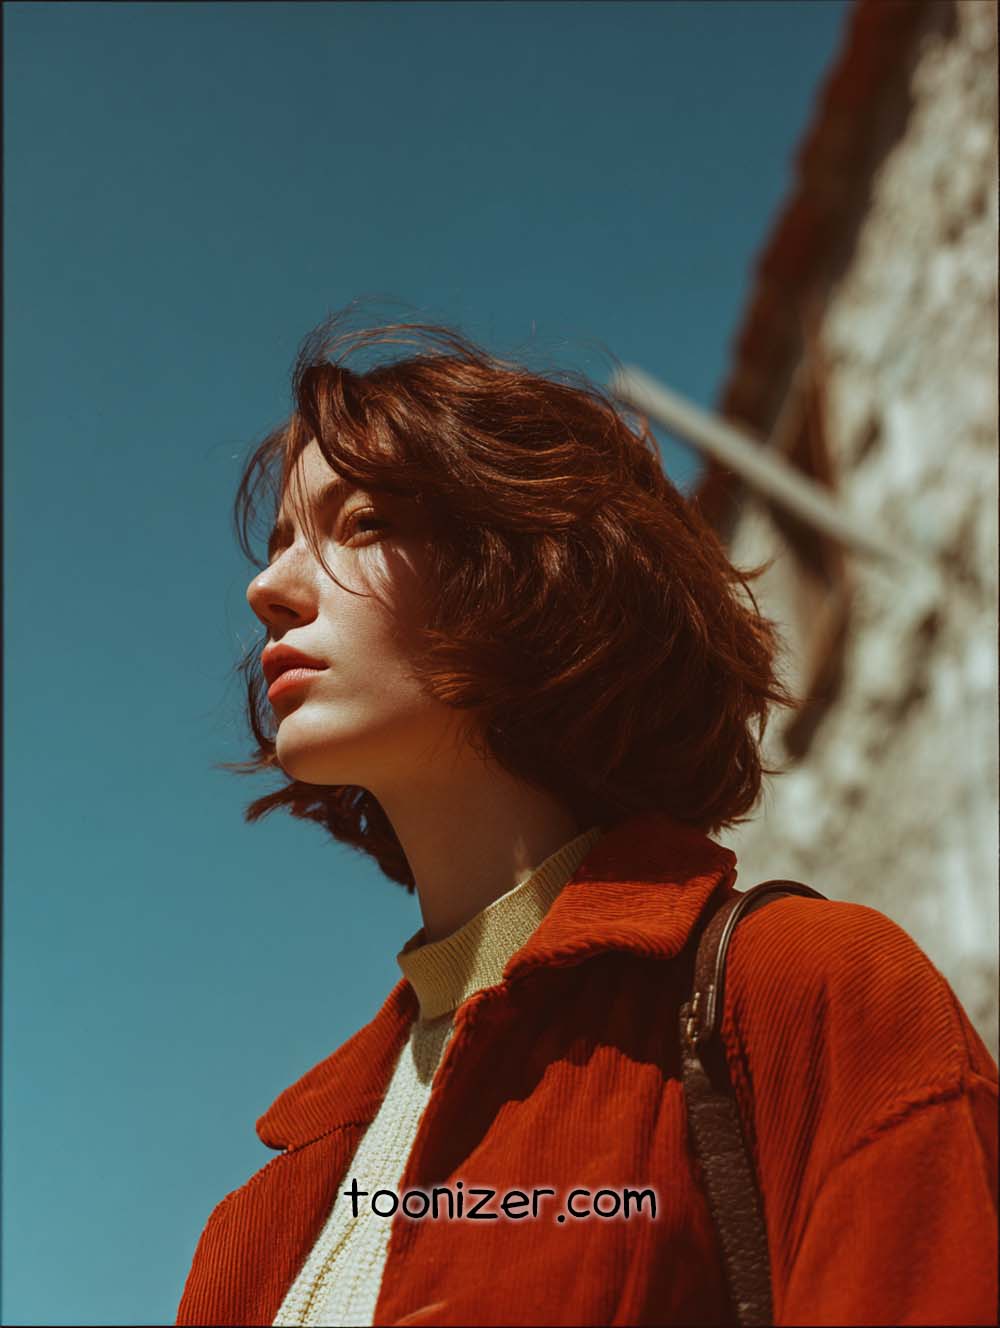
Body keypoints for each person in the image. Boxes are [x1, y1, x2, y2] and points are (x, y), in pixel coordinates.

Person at [176, 312, 998, 1327]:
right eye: (279, 545)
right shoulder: (266, 1210)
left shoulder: (808, 995)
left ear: (527, 573)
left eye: (364, 522)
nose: (266, 588)